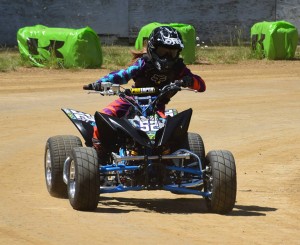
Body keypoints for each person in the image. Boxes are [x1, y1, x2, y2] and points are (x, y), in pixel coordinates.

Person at [83, 26, 206, 156]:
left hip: (157, 105)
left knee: (169, 131)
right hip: (131, 100)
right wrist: (100, 83)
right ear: (153, 49)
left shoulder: (178, 68)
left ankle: (167, 155)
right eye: (163, 51)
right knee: (103, 116)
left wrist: (190, 81)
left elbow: (202, 85)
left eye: (172, 53)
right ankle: (99, 149)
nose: (167, 57)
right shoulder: (143, 63)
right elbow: (123, 75)